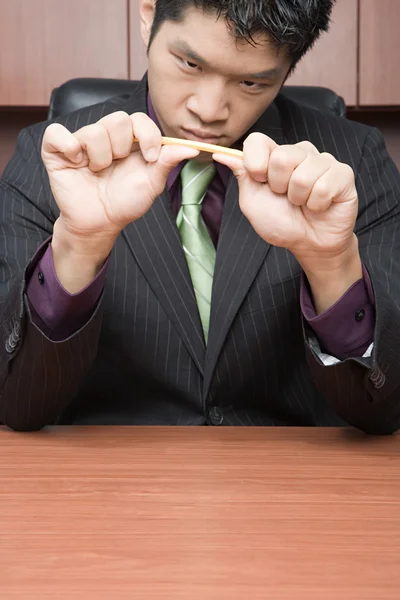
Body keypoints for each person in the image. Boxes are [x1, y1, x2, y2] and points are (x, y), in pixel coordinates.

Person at [0, 0, 399, 433]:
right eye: (190, 63)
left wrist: (331, 265)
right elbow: (17, 404)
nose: (210, 110)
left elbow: (383, 411)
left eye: (250, 82)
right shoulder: (53, 158)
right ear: (149, 14)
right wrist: (80, 243)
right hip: (108, 482)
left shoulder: (353, 163)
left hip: (287, 483)